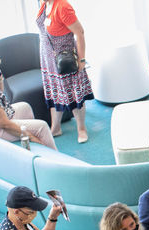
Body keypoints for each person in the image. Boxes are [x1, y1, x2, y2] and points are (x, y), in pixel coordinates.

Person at [37, 0, 93, 142]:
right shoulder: (45, 4)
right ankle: (55, 129)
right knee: (55, 94)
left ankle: (81, 129)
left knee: (74, 95)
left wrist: (81, 59)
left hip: (65, 60)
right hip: (49, 62)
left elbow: (79, 33)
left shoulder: (62, 6)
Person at [0, 53, 56, 149]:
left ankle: (31, 148)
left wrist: (0, 81)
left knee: (25, 107)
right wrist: (29, 136)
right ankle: (55, 160)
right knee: (41, 127)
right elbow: (3, 124)